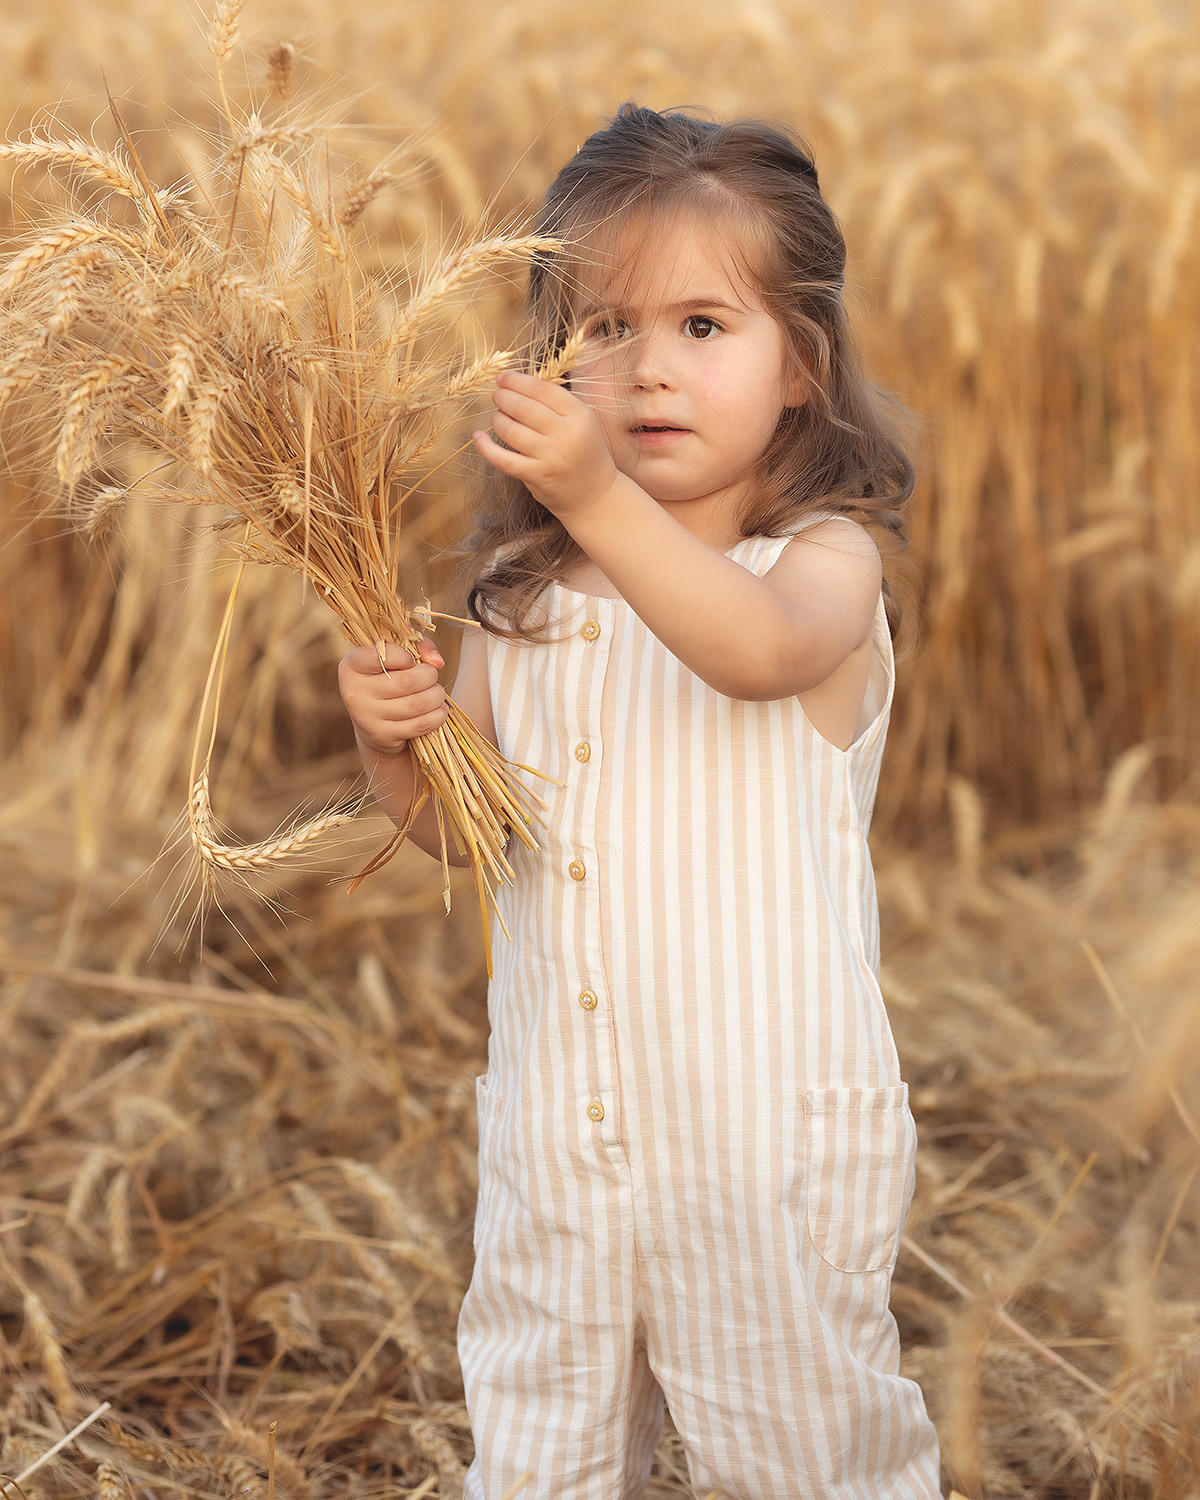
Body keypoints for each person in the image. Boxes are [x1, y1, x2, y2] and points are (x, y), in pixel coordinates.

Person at [339, 105, 942, 1500]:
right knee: (540, 1446)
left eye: (702, 329)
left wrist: (600, 495)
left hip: (764, 1140)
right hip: (565, 1136)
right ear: (547, 359)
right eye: (603, 330)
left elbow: (758, 656)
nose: (648, 371)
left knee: (806, 1455)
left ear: (804, 364)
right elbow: (462, 828)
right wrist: (394, 748)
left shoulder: (822, 563)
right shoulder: (526, 603)